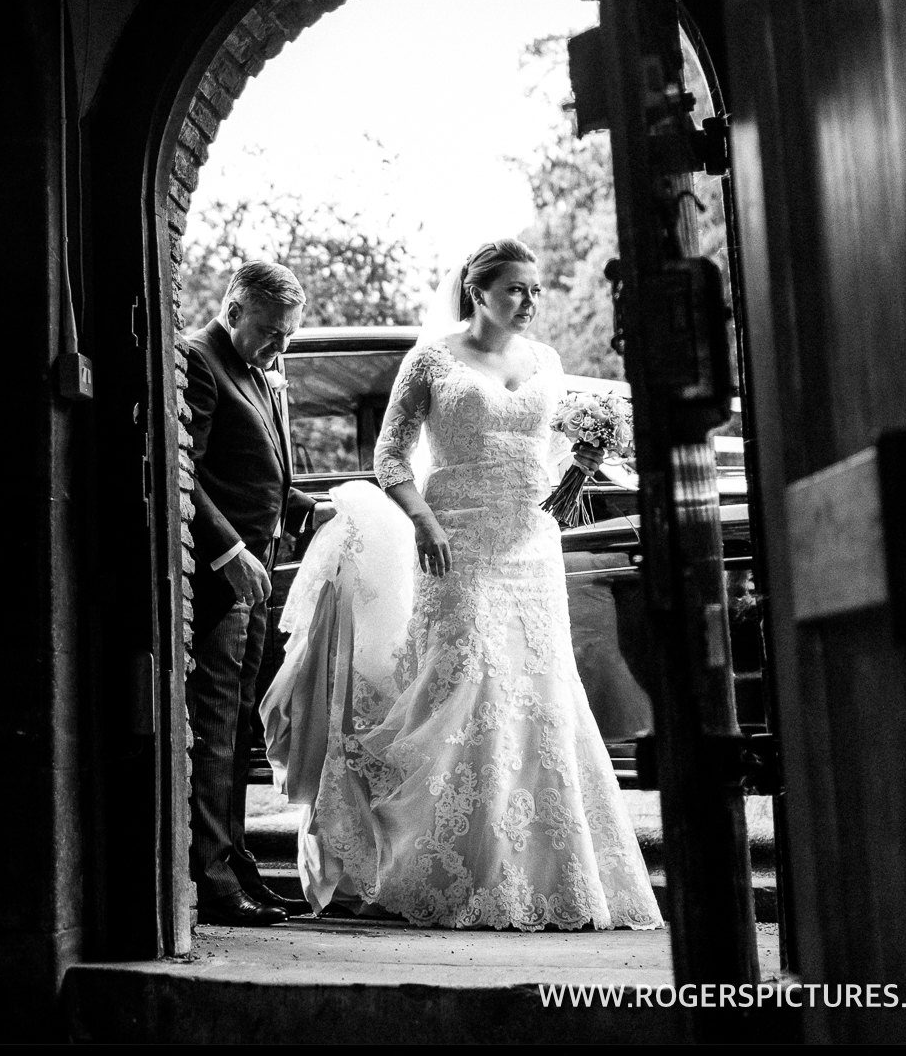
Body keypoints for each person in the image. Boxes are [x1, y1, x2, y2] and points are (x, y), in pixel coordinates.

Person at [260, 238, 660, 930]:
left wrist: (582, 462)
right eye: (516, 290)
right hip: (455, 542)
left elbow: (546, 445)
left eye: (535, 289)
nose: (531, 301)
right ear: (479, 292)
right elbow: (390, 452)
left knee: (539, 694)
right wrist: (422, 521)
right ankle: (444, 865)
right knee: (465, 686)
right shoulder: (434, 357)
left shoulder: (547, 362)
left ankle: (536, 873)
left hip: (531, 545)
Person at [181, 261, 319, 926]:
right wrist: (228, 550)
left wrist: (305, 507)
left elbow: (259, 470)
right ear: (235, 310)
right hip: (221, 580)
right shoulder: (199, 359)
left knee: (239, 731)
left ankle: (239, 867)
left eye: (288, 336)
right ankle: (210, 883)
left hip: (259, 579)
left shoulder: (257, 370)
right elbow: (187, 468)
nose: (279, 349)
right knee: (212, 729)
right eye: (271, 333)